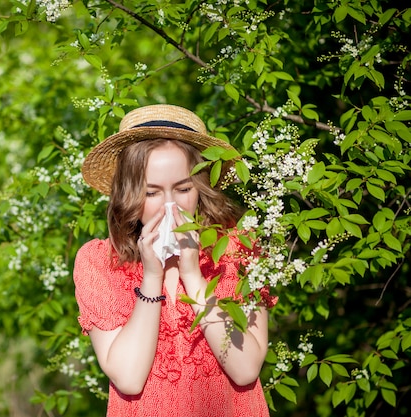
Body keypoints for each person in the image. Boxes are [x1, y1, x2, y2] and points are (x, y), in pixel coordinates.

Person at [73, 104, 276, 416]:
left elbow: (245, 368)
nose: (170, 206)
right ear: (130, 194)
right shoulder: (99, 262)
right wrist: (152, 278)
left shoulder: (238, 250)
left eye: (183, 188)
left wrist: (193, 276)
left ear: (201, 187)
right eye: (152, 193)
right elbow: (128, 378)